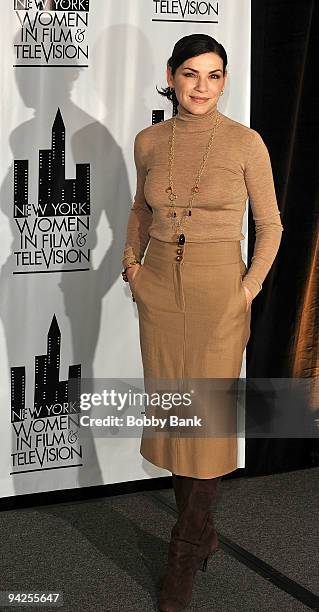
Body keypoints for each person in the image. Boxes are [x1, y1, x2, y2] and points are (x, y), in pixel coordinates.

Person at [121, 34, 283, 612]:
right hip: (160, 287)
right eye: (191, 74)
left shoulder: (246, 143)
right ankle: (202, 534)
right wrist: (131, 267)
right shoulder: (148, 140)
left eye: (214, 76)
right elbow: (140, 207)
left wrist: (247, 289)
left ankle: (184, 551)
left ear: (224, 81)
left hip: (220, 292)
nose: (201, 87)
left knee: (207, 423)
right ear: (171, 75)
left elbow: (271, 225)